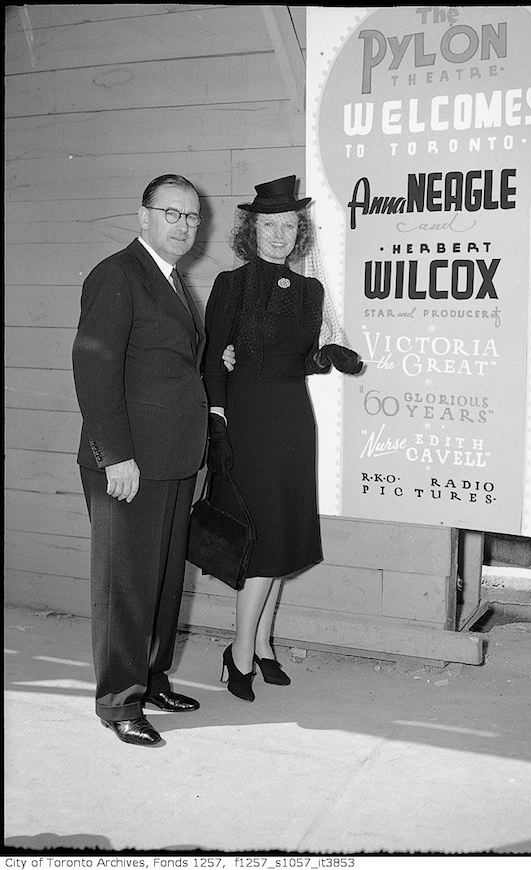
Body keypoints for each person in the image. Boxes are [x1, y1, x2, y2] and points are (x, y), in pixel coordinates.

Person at [72, 174, 230, 746]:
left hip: (172, 461)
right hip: (129, 465)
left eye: (191, 217)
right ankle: (119, 702)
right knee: (126, 586)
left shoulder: (170, 278)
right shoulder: (116, 275)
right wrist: (115, 456)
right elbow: (94, 370)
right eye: (172, 214)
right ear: (144, 218)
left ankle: (152, 678)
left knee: (163, 583)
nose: (184, 225)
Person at [203, 175, 362, 702]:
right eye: (269, 225)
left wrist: (326, 358)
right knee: (261, 541)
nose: (279, 234)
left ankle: (264, 646)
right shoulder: (232, 284)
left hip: (294, 420)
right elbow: (213, 360)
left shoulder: (311, 291)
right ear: (253, 229)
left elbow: (298, 362)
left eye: (289, 225)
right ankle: (239, 654)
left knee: (283, 538)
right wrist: (218, 422)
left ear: (300, 232)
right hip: (248, 422)